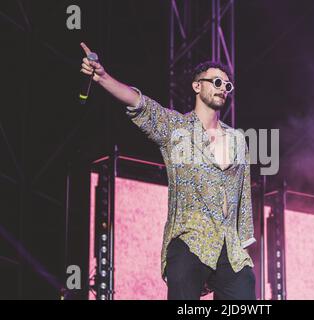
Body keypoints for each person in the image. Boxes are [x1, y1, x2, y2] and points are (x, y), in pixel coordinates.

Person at [80, 42, 256, 300]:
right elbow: (142, 105)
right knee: (183, 281)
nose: (222, 89)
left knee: (245, 285)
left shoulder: (238, 140)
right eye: (216, 82)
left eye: (227, 85)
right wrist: (103, 78)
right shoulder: (177, 128)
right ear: (197, 86)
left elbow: (243, 197)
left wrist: (242, 241)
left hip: (228, 246)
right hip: (189, 237)